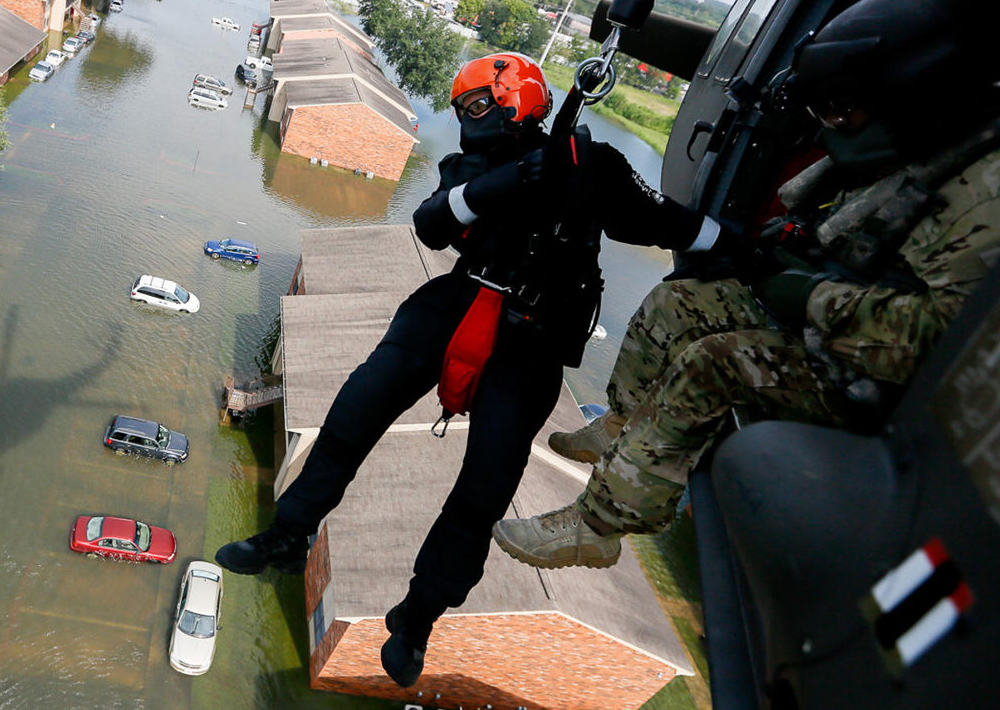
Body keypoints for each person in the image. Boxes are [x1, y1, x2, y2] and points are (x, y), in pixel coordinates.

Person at [215, 52, 724, 687]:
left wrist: (751, 249)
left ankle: (418, 617)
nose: (468, 119)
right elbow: (431, 224)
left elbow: (676, 225)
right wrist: (510, 180)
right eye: (462, 110)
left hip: (533, 337)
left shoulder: (593, 166)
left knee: (485, 485)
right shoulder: (472, 168)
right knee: (355, 409)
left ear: (521, 101)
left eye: (479, 106)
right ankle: (287, 537)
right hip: (463, 299)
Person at [493, 0, 1000, 570]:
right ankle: (621, 426)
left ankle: (597, 527)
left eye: (843, 112)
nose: (830, 127)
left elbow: (943, 348)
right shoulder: (938, 142)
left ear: (916, 99)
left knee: (716, 362)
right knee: (684, 299)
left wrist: (811, 296)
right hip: (843, 326)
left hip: (894, 389)